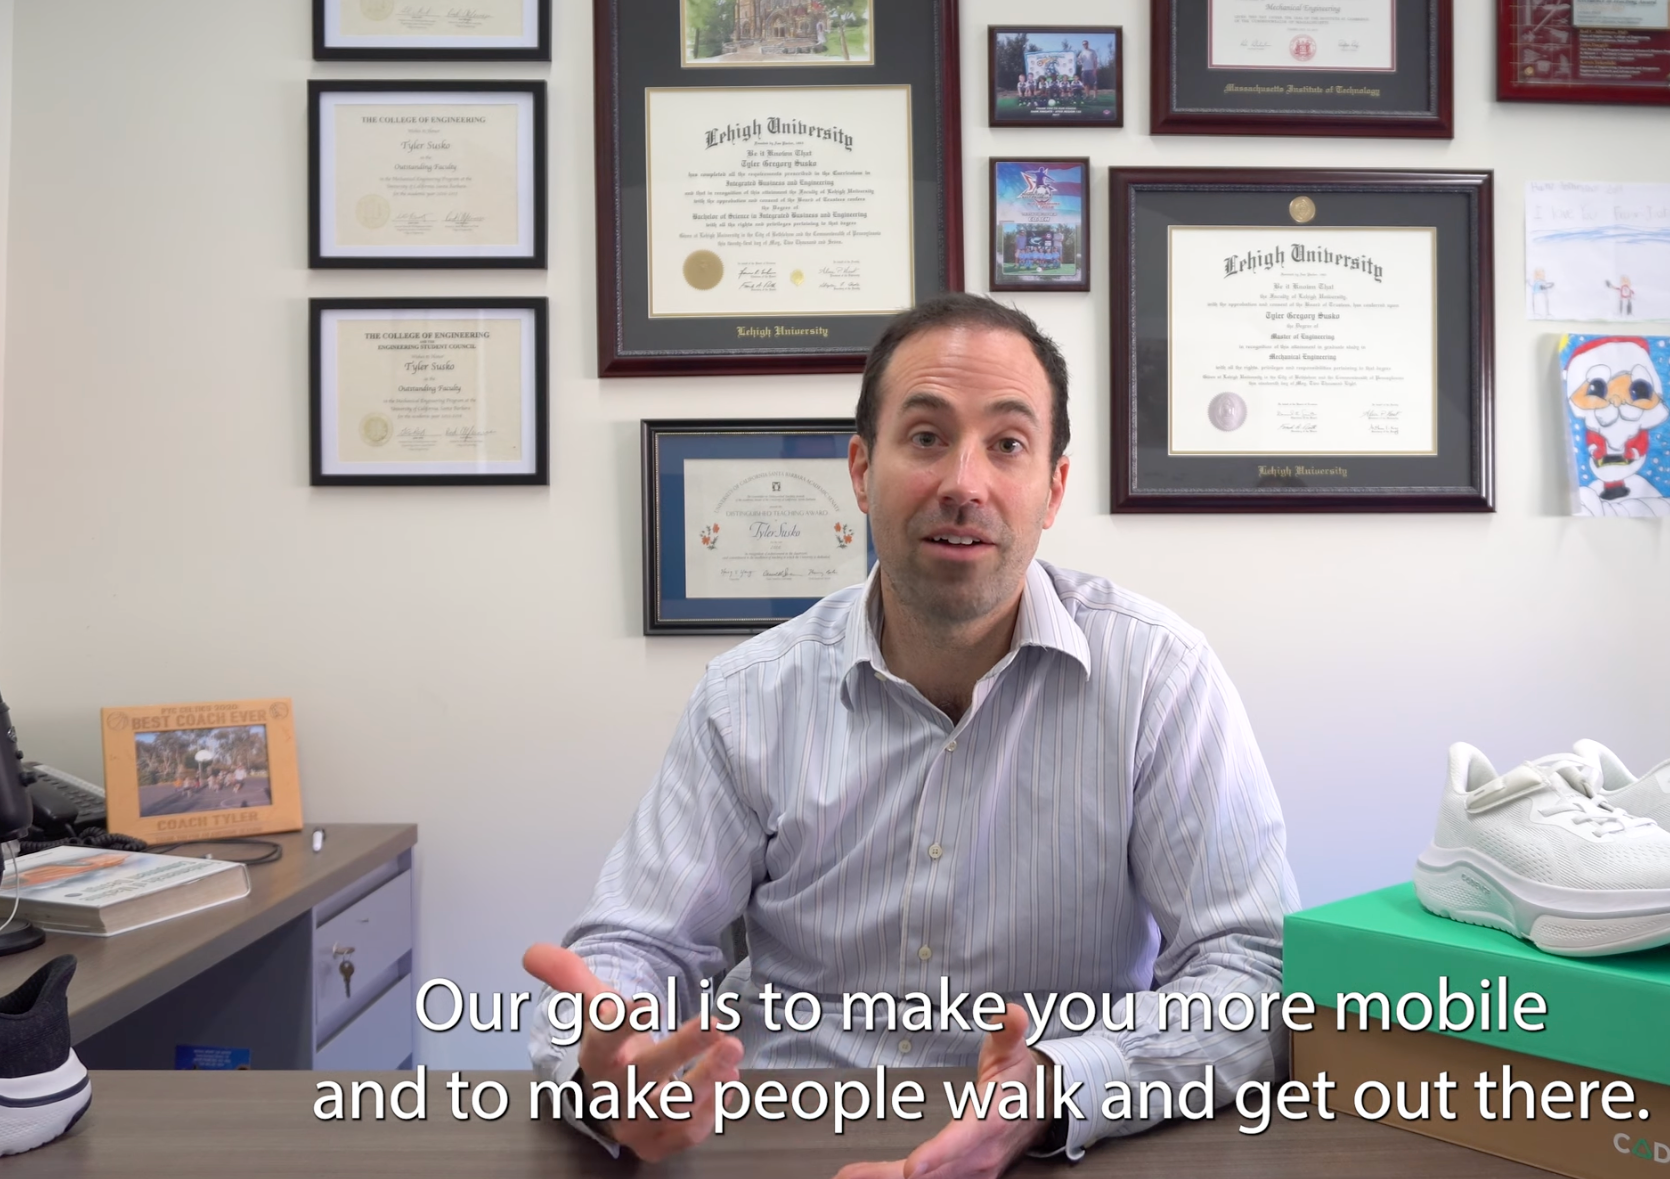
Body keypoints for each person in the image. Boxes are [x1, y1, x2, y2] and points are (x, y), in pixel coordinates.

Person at [525, 294, 1296, 1176]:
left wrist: (1057, 1087)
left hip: (1054, 1151)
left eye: (1006, 444)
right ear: (861, 471)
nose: (963, 482)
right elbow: (634, 948)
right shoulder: (747, 697)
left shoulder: (1160, 678)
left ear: (1052, 487)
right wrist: (609, 1080)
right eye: (926, 437)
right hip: (788, 1145)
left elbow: (1254, 972)